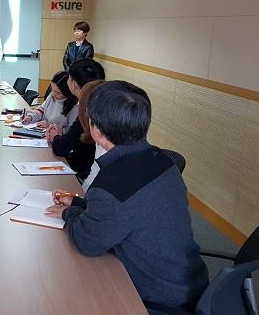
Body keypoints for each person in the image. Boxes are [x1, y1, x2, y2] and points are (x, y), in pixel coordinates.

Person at [46, 81, 208, 311]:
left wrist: (69, 212)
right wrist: (79, 202)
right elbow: (130, 210)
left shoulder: (110, 185)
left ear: (96, 130)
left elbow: (87, 241)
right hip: (191, 283)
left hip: (157, 299)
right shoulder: (162, 161)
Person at [46, 58, 105, 178]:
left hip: (82, 173)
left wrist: (56, 135)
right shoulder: (103, 105)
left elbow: (61, 148)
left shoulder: (87, 109)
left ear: (73, 83)